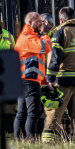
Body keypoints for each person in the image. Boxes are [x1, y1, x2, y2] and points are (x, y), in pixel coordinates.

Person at [42, 7, 75, 144]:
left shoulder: (60, 33)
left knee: (54, 113)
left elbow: (55, 58)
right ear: (74, 16)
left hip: (63, 80)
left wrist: (50, 79)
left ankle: (49, 143)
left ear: (61, 19)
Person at [13, 12, 51, 140]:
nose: (41, 23)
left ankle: (19, 139)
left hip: (24, 80)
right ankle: (31, 140)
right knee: (33, 113)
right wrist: (45, 35)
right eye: (39, 21)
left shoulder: (30, 37)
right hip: (29, 81)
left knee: (22, 112)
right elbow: (46, 48)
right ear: (30, 22)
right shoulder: (28, 37)